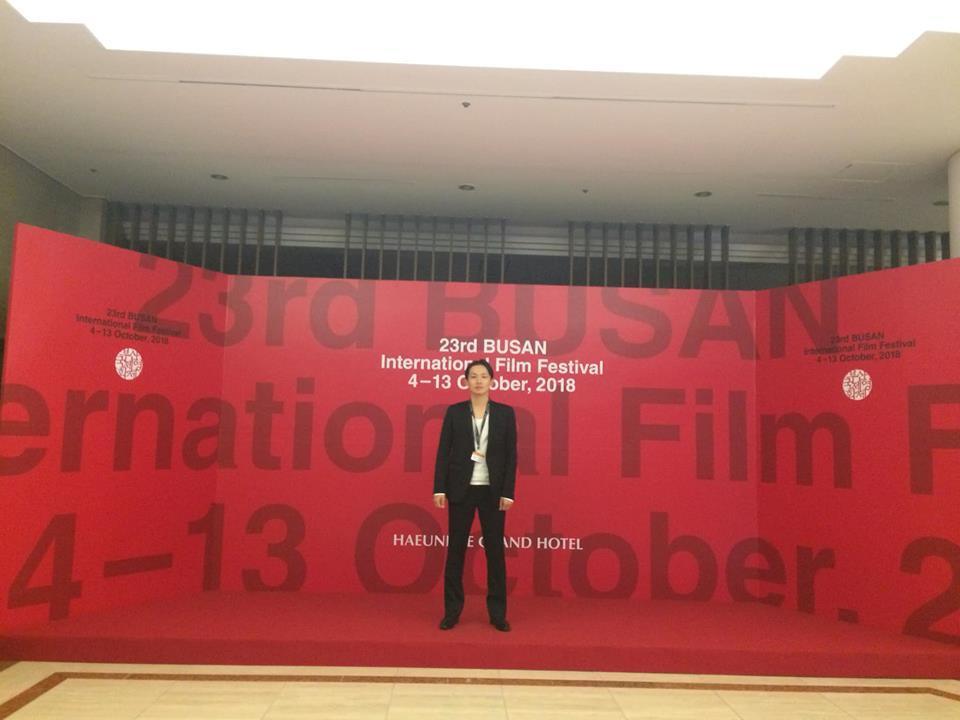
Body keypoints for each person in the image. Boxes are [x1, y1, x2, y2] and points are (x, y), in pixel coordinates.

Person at [433, 358, 518, 632]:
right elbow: (443, 451)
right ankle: (452, 611)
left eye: (483, 376)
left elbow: (511, 455)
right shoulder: (455, 412)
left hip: (493, 491)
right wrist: (439, 487)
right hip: (461, 490)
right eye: (473, 376)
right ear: (466, 381)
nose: (478, 381)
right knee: (456, 551)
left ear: (492, 380)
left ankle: (497, 614)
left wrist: (508, 492)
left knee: (495, 553)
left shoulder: (505, 413)